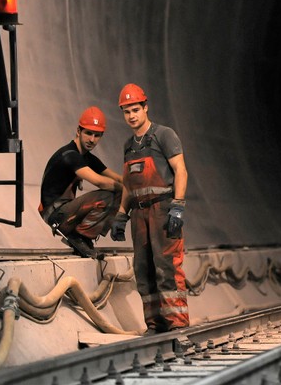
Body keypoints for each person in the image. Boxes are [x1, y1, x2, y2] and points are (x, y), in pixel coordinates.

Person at [110, 83, 189, 333]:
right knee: (143, 270)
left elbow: (180, 170)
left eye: (135, 109)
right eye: (126, 111)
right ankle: (155, 324)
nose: (131, 116)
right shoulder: (128, 146)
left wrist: (177, 207)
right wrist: (122, 214)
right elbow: (128, 184)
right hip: (139, 214)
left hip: (162, 209)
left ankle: (176, 324)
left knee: (167, 267)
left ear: (146, 107)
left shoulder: (164, 135)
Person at [39, 106, 123, 259]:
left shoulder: (87, 157)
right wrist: (124, 190)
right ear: (78, 131)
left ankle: (83, 238)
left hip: (64, 211)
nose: (92, 139)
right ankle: (79, 237)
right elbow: (100, 182)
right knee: (108, 196)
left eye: (97, 135)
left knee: (118, 191)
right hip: (55, 214)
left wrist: (139, 187)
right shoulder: (70, 155)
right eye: (88, 133)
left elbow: (117, 178)